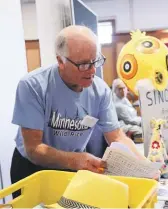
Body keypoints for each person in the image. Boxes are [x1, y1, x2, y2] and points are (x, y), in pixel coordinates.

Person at [10, 25, 147, 197]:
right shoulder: (33, 86)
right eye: (83, 64)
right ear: (60, 61)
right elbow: (33, 148)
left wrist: (145, 167)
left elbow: (117, 137)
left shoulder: (100, 91)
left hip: (72, 168)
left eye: (95, 61)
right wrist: (76, 160)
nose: (92, 71)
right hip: (32, 169)